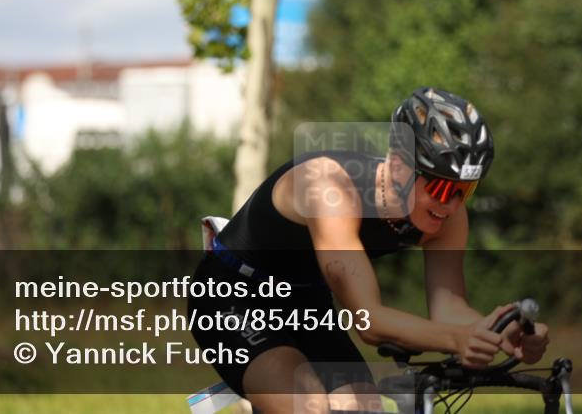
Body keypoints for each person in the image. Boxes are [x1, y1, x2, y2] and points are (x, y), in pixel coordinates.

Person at [188, 87, 550, 413]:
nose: (452, 205)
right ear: (397, 166)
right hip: (233, 294)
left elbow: (449, 310)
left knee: (361, 408)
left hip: (307, 302)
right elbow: (369, 321)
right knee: (308, 404)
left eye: (465, 191)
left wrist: (497, 334)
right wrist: (458, 340)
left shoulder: (448, 216)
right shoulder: (329, 187)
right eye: (440, 188)